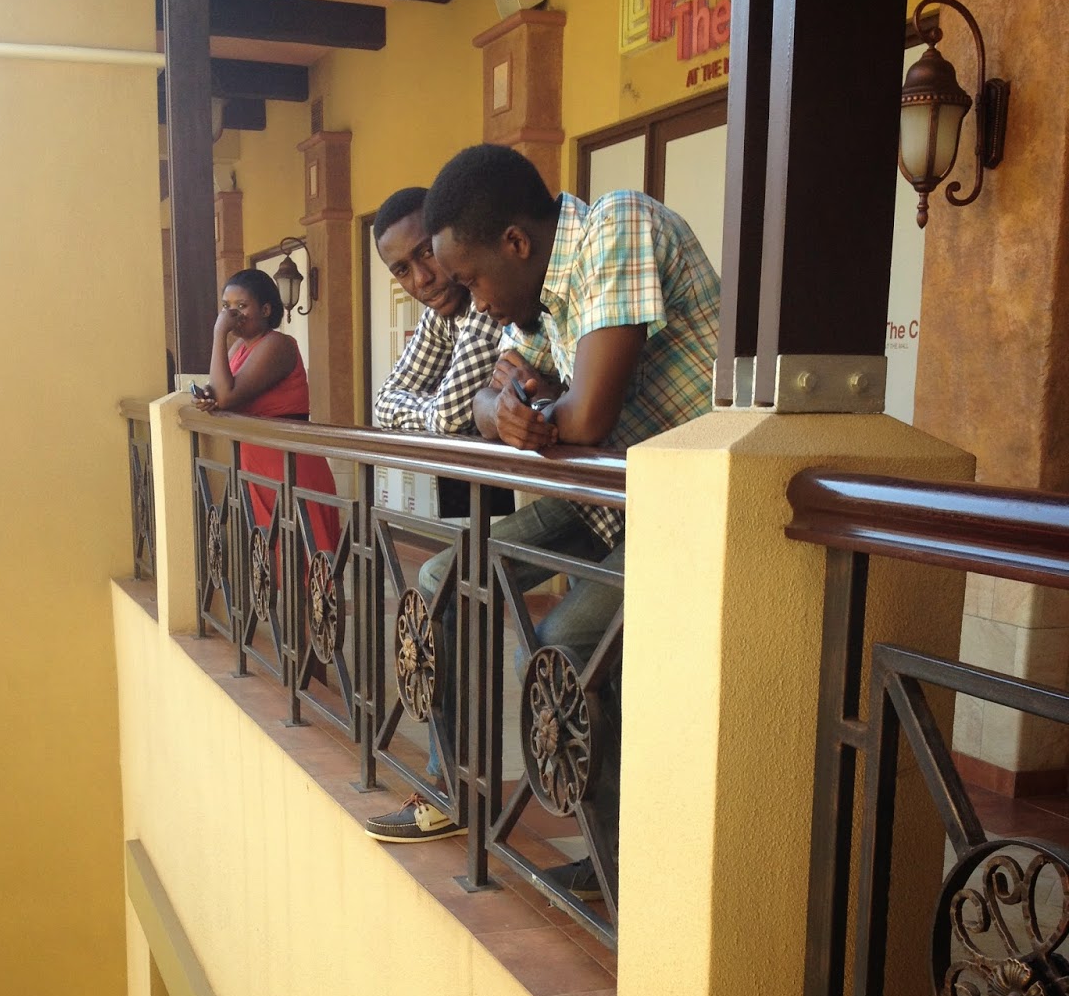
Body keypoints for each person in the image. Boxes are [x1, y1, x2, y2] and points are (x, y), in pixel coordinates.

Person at [365, 144, 720, 902]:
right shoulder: (536, 300)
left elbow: (585, 417)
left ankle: (619, 868)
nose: (472, 301)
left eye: (471, 280)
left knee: (563, 646)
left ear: (516, 243)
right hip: (607, 498)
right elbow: (489, 405)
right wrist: (508, 407)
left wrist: (534, 405)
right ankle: (456, 787)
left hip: (684, 509)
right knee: (447, 574)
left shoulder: (615, 226)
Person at [372, 186, 515, 522]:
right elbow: (385, 401)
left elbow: (448, 417)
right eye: (402, 270)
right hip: (485, 491)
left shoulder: (486, 298)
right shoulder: (440, 314)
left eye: (426, 252)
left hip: (575, 487)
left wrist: (438, 412)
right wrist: (435, 410)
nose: (422, 279)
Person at [201, 267, 339, 553]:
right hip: (257, 462)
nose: (232, 315)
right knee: (266, 556)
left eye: (241, 306)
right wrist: (206, 396)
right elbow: (217, 389)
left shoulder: (277, 344)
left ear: (265, 310)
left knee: (296, 555)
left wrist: (218, 333)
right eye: (227, 307)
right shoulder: (239, 348)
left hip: (287, 464)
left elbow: (226, 396)